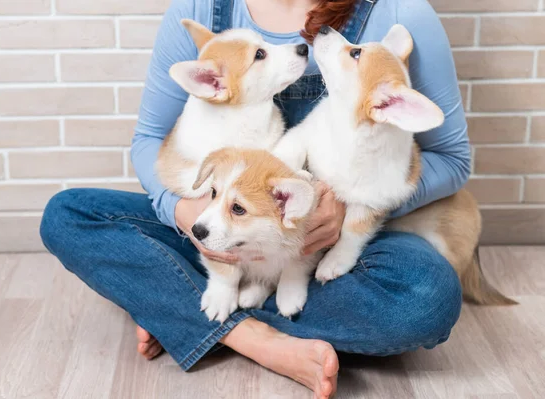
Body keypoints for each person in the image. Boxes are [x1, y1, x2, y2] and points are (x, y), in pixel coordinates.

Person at [40, 0, 470, 397]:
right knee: (68, 214)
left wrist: (346, 206)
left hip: (325, 246)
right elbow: (149, 139)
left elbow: (452, 160)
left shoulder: (397, 11)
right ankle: (251, 336)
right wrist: (184, 213)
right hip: (216, 229)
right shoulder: (201, 7)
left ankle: (182, 309)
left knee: (426, 298)